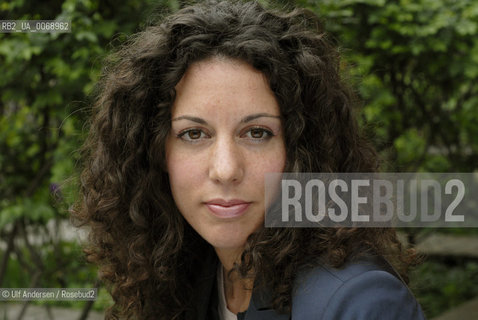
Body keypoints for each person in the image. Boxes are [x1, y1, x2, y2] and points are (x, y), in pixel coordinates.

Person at [74, 0, 426, 319]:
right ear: (153, 152)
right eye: (194, 134)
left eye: (257, 133)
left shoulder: (357, 302)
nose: (226, 169)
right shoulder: (186, 276)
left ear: (304, 149)